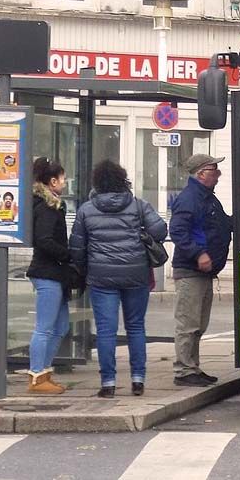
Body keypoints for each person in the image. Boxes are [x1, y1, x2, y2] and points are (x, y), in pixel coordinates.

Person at [70, 160, 167, 398]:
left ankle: (109, 383)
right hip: (136, 275)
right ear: (123, 180)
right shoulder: (138, 205)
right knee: (135, 327)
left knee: (106, 331)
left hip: (101, 277)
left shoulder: (86, 210)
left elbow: (77, 248)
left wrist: (82, 273)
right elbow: (161, 231)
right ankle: (138, 379)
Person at [169, 154, 233, 387]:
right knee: (188, 324)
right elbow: (177, 230)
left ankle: (192, 367)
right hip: (191, 271)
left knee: (198, 324)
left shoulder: (207, 198)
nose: (218, 174)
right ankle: (184, 371)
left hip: (203, 272)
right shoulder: (190, 198)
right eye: (214, 170)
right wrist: (199, 254)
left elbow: (222, 224)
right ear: (200, 173)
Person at [26, 158, 74, 394]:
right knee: (45, 327)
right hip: (47, 272)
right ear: (52, 181)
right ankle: (37, 375)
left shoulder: (51, 204)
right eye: (63, 178)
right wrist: (67, 255)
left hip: (55, 272)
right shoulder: (46, 207)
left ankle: (44, 371)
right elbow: (43, 240)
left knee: (61, 326)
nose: (65, 182)